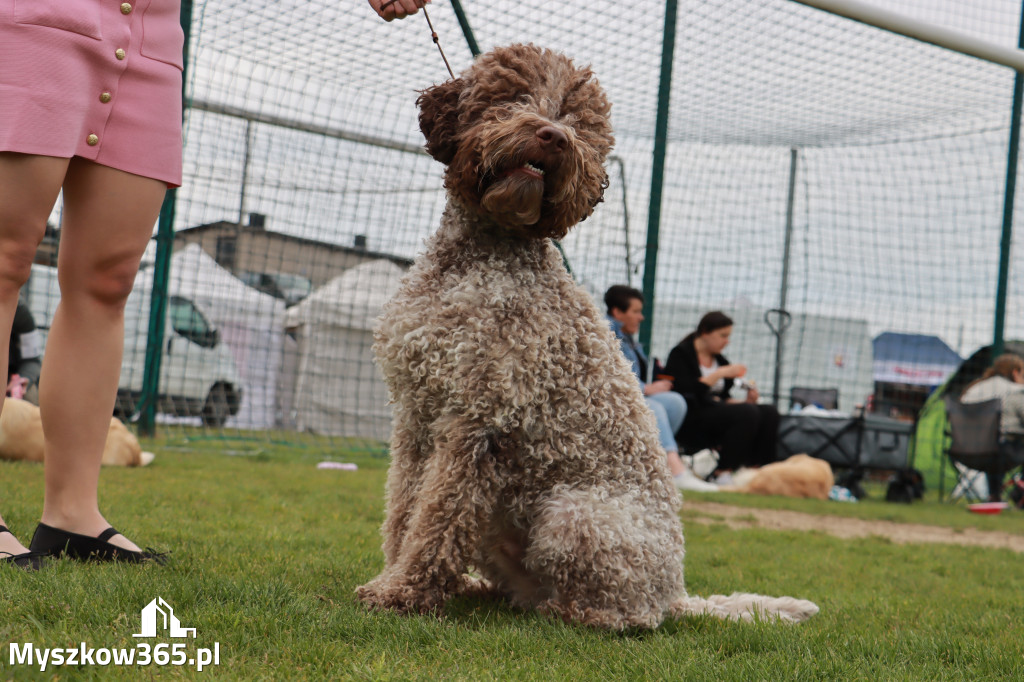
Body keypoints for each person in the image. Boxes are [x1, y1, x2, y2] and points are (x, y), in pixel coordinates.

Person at [0, 0, 191, 567]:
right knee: (5, 256)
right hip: (39, 18)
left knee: (109, 281)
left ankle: (73, 516)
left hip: (150, 36)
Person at [604, 286, 717, 492]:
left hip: (632, 398)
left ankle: (654, 462)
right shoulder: (606, 335)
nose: (641, 317)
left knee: (675, 401)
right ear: (617, 312)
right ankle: (676, 471)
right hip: (611, 402)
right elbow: (609, 377)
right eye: (636, 311)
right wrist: (646, 388)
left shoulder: (627, 338)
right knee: (654, 406)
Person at [662, 311, 780, 477]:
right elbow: (684, 391)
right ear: (705, 332)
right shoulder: (681, 354)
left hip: (715, 412)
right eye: (722, 336)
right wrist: (719, 374)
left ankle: (761, 470)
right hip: (691, 417)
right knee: (747, 413)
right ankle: (723, 471)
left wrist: (747, 401)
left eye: (728, 336)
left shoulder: (720, 360)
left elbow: (723, 399)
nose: (727, 341)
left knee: (768, 411)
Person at [960, 353, 1024, 502]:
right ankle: (1019, 494)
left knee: (994, 447)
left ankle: (994, 496)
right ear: (1015, 373)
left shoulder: (974, 388)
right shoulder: (1015, 391)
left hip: (964, 450)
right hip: (1002, 452)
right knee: (1000, 447)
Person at [7, 300, 42, 404]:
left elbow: (31, 360)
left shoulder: (19, 309)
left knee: (30, 395)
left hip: (11, 379)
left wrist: (23, 379)